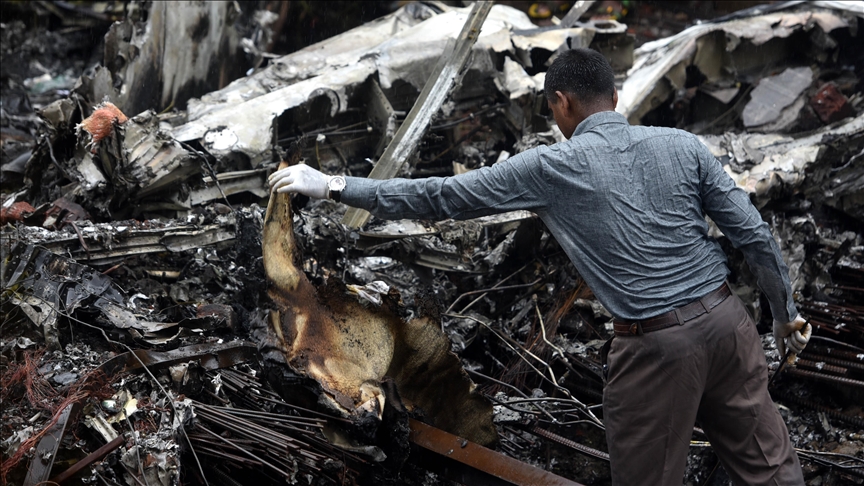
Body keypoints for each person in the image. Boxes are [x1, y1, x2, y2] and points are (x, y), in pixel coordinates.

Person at [269, 47, 811, 485]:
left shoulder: (551, 165)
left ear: (559, 103)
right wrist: (785, 315)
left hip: (658, 350)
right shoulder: (682, 145)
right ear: (616, 98)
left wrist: (335, 184)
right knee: (771, 469)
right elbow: (755, 237)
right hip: (728, 325)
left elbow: (442, 197)